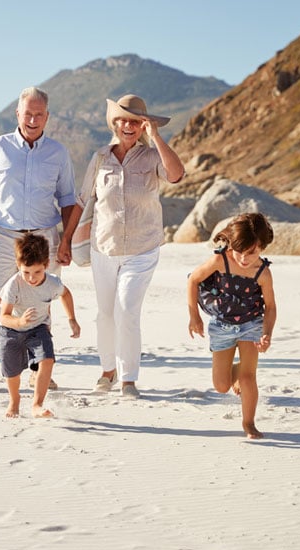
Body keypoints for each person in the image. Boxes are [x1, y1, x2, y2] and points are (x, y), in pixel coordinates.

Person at [61, 94, 185, 397]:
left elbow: (176, 174)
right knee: (104, 314)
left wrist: (156, 136)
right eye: (122, 120)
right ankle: (107, 372)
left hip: (142, 249)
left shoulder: (153, 156)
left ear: (142, 124)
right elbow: (82, 200)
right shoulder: (101, 157)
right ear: (114, 123)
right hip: (103, 247)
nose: (127, 125)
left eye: (134, 121)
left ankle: (128, 378)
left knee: (127, 310)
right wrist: (66, 240)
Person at [0, 86, 76, 390]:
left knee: (43, 302)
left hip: (44, 235)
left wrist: (66, 243)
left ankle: (39, 369)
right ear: (18, 114)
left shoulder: (58, 153)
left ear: (47, 116)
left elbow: (67, 199)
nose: (34, 119)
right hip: (3, 234)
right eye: (28, 114)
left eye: (39, 114)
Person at [187, 213, 277, 439]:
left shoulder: (263, 273)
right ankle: (234, 373)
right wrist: (194, 316)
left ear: (262, 248)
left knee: (248, 378)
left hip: (251, 325)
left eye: (252, 253)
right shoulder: (221, 260)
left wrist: (267, 333)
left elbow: (271, 307)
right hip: (221, 327)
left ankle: (249, 423)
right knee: (221, 385)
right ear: (232, 244)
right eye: (240, 251)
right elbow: (193, 280)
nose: (245, 259)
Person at [0, 234, 80, 418]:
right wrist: (19, 322)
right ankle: (14, 400)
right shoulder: (14, 284)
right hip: (11, 330)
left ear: (46, 264)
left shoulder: (52, 283)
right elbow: (3, 317)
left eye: (37, 272)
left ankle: (37, 404)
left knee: (47, 359)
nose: (31, 278)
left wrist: (72, 319)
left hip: (38, 328)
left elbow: (65, 294)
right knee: (12, 372)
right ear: (19, 265)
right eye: (26, 272)